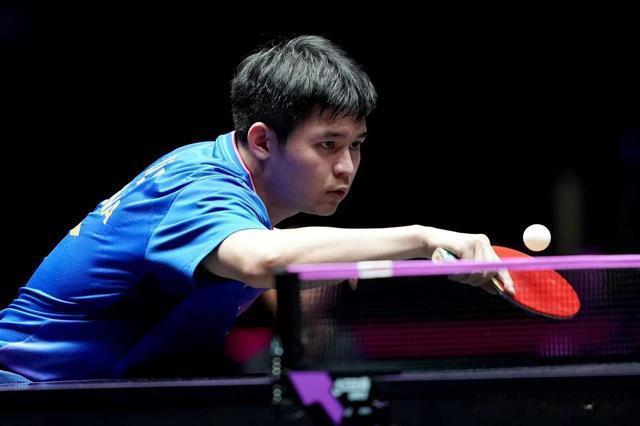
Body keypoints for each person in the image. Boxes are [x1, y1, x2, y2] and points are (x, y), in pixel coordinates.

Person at [0, 35, 513, 382]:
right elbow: (260, 261)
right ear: (263, 140)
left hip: (91, 394)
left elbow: (260, 272)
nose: (346, 167)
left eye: (356, 145)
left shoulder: (238, 198)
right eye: (328, 144)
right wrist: (423, 238)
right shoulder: (201, 184)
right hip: (23, 388)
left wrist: (409, 263)